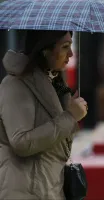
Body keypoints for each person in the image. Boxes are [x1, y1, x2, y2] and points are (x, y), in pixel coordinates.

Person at [0, 30, 88, 199]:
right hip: (25, 192)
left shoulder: (56, 85)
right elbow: (21, 142)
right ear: (44, 49)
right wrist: (69, 117)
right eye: (65, 47)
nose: (71, 53)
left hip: (49, 188)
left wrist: (71, 110)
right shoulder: (15, 85)